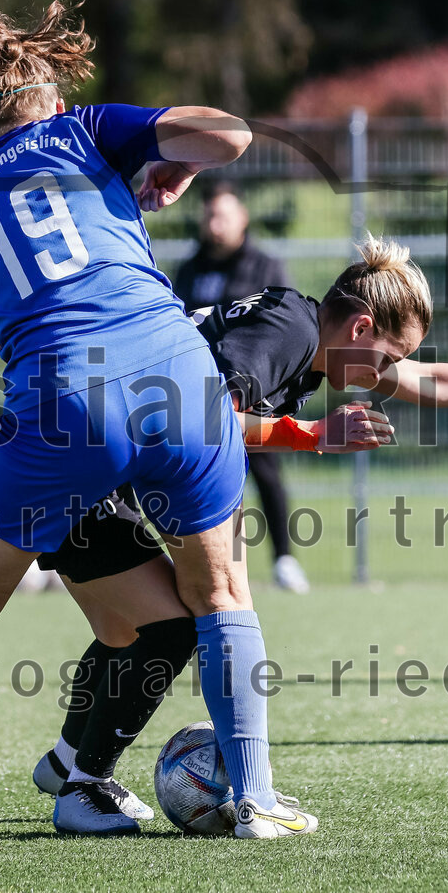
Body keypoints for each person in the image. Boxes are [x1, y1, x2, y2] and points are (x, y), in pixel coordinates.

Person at [0, 0, 317, 846]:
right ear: (52, 101)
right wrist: (168, 162)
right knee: (220, 594)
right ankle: (256, 800)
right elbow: (232, 135)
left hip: (62, 397)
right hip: (179, 376)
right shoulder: (85, 129)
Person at [32, 234, 448, 833]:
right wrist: (313, 433)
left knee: (130, 628)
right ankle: (93, 788)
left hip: (76, 461)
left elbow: (433, 380)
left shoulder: (304, 334)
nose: (391, 373)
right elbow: (200, 420)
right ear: (360, 328)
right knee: (176, 624)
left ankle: (67, 765)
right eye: (388, 356)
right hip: (79, 470)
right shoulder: (287, 333)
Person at [173, 183, 310, 593]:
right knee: (205, 480)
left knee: (266, 472)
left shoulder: (263, 266)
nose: (215, 225)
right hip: (196, 394)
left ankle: (285, 559)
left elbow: (283, 337)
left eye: (224, 217)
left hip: (250, 394)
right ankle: (208, 567)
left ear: (242, 220)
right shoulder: (190, 268)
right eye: (210, 217)